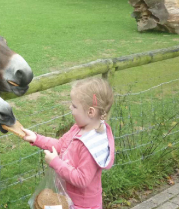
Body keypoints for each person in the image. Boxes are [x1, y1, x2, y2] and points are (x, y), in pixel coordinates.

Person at [22, 77, 115, 209]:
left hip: (82, 205)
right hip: (67, 198)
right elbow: (61, 145)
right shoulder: (78, 128)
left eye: (74, 106)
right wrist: (37, 139)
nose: (70, 107)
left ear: (90, 112)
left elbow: (82, 179)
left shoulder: (91, 145)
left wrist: (55, 162)